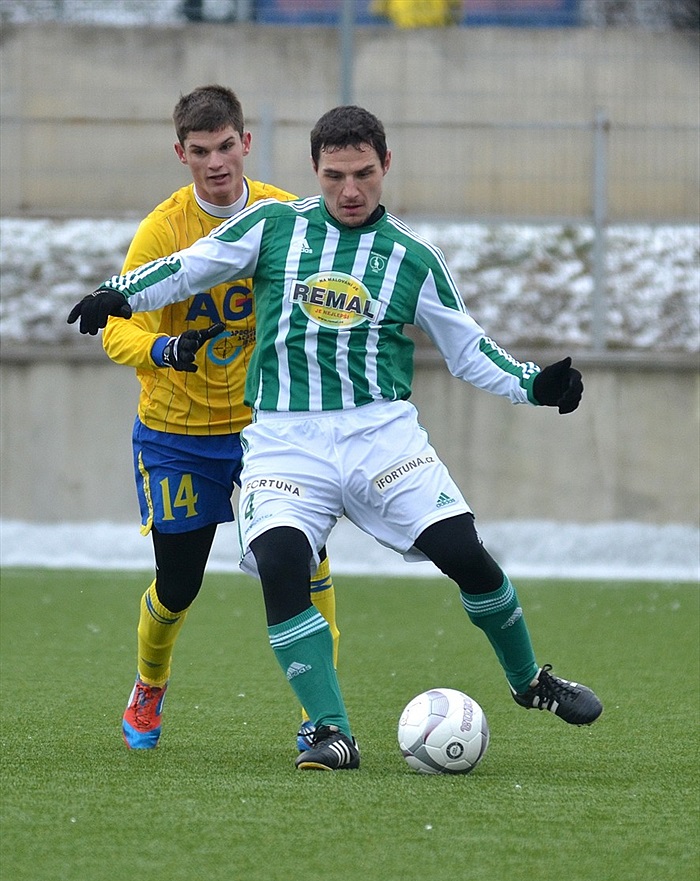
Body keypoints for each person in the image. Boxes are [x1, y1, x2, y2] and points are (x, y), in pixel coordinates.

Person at [69, 104, 603, 771]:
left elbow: (469, 351)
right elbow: (189, 266)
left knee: (466, 556)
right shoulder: (272, 226)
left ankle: (530, 684)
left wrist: (533, 385)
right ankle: (329, 730)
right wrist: (118, 294)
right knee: (282, 565)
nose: (350, 190)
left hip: (382, 436)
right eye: (334, 175)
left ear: (385, 167)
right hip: (285, 441)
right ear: (315, 172)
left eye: (362, 174)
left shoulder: (412, 258)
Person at [69, 85, 342, 752]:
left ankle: (324, 715)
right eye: (201, 151)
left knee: (304, 560)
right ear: (181, 154)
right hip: (177, 433)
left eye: (226, 147)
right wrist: (165, 347)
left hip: (269, 431)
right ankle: (149, 684)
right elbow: (114, 327)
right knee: (179, 583)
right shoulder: (163, 231)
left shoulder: (287, 215)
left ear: (246, 143)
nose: (216, 163)